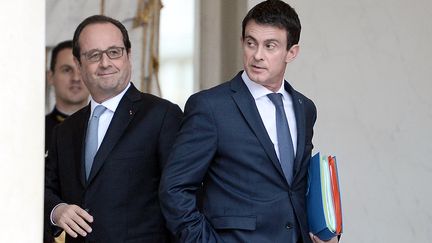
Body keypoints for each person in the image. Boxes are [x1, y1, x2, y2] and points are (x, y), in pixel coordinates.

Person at [159, 1, 338, 242]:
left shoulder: (304, 108)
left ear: (291, 52)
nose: (257, 55)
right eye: (250, 43)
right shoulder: (210, 107)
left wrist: (326, 231)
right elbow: (174, 189)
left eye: (270, 46)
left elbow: (298, 185)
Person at [44, 15, 182, 243]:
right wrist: (56, 210)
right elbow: (43, 189)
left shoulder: (162, 116)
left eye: (114, 52)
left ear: (129, 55)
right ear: (79, 64)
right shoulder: (65, 130)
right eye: (94, 55)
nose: (105, 62)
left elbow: (182, 198)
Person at [45, 40, 89, 151]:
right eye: (67, 70)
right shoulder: (35, 131)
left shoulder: (108, 130)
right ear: (50, 77)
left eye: (82, 70)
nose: (76, 78)